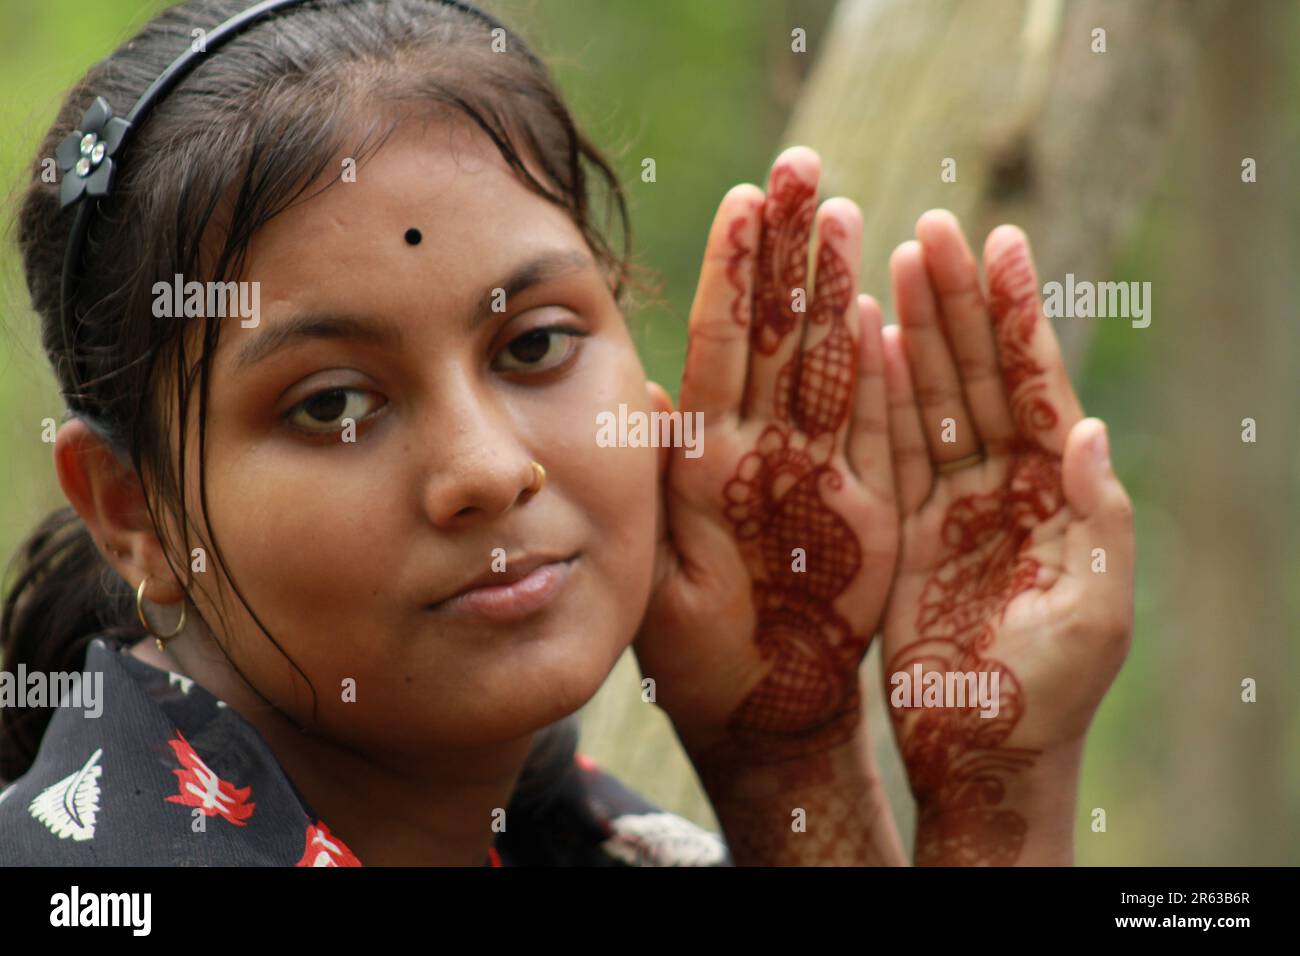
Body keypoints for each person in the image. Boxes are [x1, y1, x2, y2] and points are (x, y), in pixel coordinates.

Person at [0, 0, 1133, 866]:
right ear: (132, 510)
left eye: (533, 345)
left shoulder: (566, 827)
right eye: (331, 404)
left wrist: (805, 757)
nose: (491, 470)